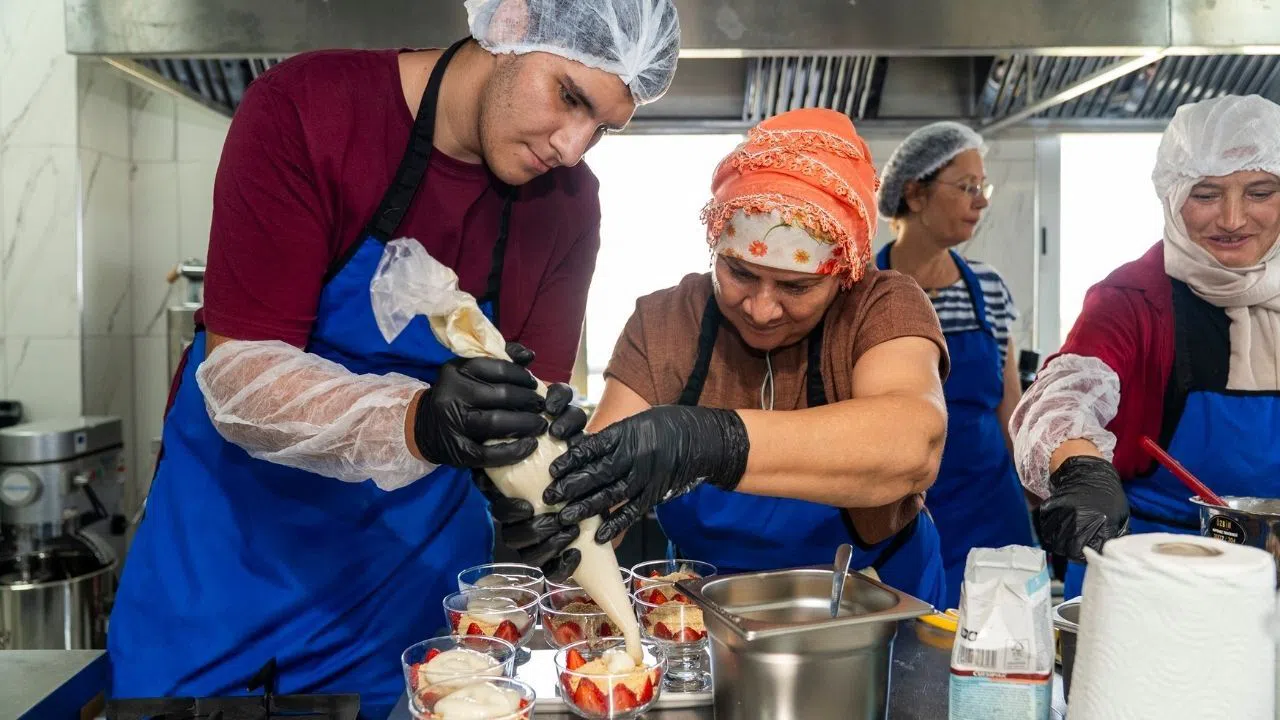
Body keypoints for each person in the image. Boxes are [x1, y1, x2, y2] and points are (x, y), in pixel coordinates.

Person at [106, 1, 680, 716]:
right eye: (569, 96)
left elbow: (528, 407)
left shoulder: (567, 205)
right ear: (509, 21)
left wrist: (530, 499)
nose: (572, 146)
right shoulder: (310, 111)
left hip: (400, 611)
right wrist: (417, 421)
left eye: (603, 129)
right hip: (220, 582)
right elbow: (241, 380)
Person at [485, 108, 951, 608]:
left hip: (870, 602)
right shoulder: (667, 323)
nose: (762, 308)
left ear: (846, 276)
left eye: (796, 287)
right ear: (714, 247)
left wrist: (711, 442)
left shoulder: (881, 307)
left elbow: (912, 445)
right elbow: (602, 493)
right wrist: (553, 510)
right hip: (700, 609)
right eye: (740, 273)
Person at [1010, 94, 1280, 599]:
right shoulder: (1133, 299)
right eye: (1206, 194)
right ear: (1172, 196)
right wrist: (1082, 470)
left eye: (1259, 192)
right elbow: (1061, 398)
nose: (1232, 219)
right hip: (1147, 570)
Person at [871, 122, 1036, 608]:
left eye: (982, 187)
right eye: (966, 187)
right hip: (895, 516)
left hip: (992, 511)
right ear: (915, 194)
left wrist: (1039, 487)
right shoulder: (863, 290)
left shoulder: (988, 288)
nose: (980, 202)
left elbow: (1010, 405)